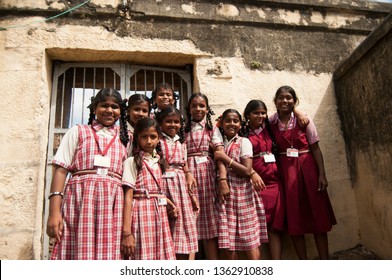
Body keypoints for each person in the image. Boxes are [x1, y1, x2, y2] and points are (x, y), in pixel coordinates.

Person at [46, 88, 129, 260]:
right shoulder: (78, 131)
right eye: (104, 105)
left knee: (109, 252)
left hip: (113, 203)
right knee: (79, 249)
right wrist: (54, 212)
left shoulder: (125, 138)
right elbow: (61, 170)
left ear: (121, 112)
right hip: (81, 200)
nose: (109, 110)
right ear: (94, 108)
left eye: (114, 106)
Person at [270, 85, 337, 260]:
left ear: (294, 101)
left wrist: (322, 174)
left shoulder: (304, 120)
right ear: (275, 101)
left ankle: (324, 261)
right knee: (294, 219)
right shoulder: (270, 123)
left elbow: (315, 148)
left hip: (308, 172)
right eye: (281, 98)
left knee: (318, 217)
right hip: (286, 174)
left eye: (289, 98)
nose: (285, 101)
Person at [214, 109, 268, 260]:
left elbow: (247, 170)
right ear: (222, 123)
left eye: (235, 121)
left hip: (243, 193)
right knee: (228, 241)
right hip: (225, 195)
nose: (232, 124)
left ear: (240, 124)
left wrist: (225, 158)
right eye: (228, 121)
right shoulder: (218, 142)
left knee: (249, 239)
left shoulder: (244, 142)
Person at [121, 118, 176, 260]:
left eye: (153, 137)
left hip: (159, 214)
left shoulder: (159, 162)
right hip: (140, 213)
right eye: (144, 137)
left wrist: (168, 202)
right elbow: (128, 196)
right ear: (137, 138)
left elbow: (156, 191)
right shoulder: (132, 162)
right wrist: (127, 232)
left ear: (159, 138)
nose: (149, 141)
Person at [184, 92, 226, 260]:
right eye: (194, 105)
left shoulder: (212, 129)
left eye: (202, 106)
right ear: (189, 109)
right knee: (190, 219)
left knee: (209, 222)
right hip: (188, 177)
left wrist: (222, 178)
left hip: (207, 176)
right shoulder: (183, 127)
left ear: (207, 109)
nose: (198, 109)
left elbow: (219, 153)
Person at [242, 100, 285, 260]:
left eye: (263, 112)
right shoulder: (242, 133)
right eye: (256, 113)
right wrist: (252, 173)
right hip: (255, 185)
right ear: (247, 115)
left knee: (274, 227)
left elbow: (286, 113)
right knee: (257, 228)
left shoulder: (271, 129)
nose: (260, 116)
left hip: (274, 184)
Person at [156, 106, 199, 260]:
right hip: (164, 184)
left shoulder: (182, 142)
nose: (173, 125)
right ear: (160, 123)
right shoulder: (157, 141)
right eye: (168, 121)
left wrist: (188, 174)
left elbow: (184, 162)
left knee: (184, 222)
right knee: (167, 220)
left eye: (176, 122)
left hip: (181, 185)